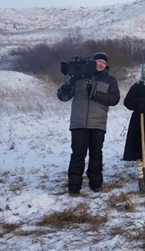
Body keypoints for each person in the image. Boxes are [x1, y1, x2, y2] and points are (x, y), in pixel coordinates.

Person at [57, 52, 120, 196]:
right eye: (98, 61)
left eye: (104, 63)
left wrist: (96, 94)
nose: (101, 64)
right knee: (78, 155)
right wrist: (63, 90)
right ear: (92, 62)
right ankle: (74, 187)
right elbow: (64, 97)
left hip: (98, 123)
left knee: (96, 154)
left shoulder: (110, 80)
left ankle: (96, 185)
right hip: (78, 123)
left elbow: (115, 99)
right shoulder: (77, 78)